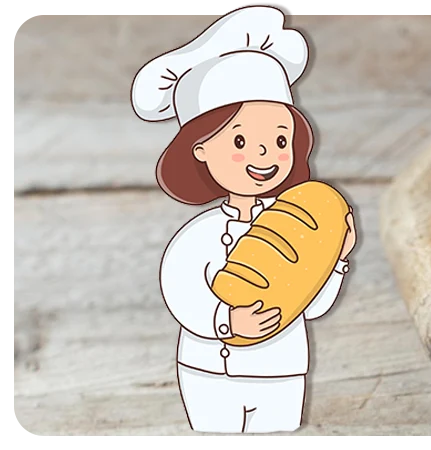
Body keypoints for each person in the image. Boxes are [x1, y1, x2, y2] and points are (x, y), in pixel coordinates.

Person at [130, 5, 356, 433]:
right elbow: (180, 289)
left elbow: (312, 304)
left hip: (281, 370)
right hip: (205, 371)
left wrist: (336, 260)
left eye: (280, 139)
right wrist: (225, 322)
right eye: (241, 140)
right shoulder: (198, 236)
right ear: (200, 148)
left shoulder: (302, 224)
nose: (265, 156)